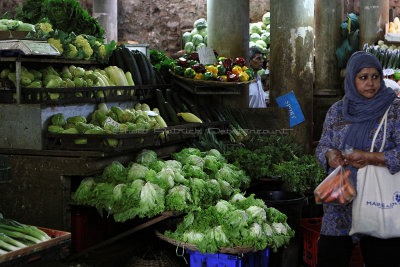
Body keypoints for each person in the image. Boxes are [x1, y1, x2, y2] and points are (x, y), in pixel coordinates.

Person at [315, 51, 400, 267]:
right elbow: (324, 144)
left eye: (375, 76)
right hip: (341, 199)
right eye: (363, 77)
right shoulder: (337, 111)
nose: (370, 83)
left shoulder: (395, 111)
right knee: (331, 256)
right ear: (352, 79)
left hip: (380, 201)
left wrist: (370, 157)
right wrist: (330, 155)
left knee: (383, 258)